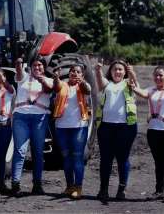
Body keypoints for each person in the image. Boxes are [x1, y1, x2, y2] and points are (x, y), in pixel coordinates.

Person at [129, 67, 164, 203]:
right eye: (156, 75)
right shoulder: (151, 90)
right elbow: (141, 92)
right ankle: (159, 190)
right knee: (158, 163)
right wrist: (133, 85)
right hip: (153, 131)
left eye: (161, 75)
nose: (158, 78)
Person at [94, 59, 138, 202]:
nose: (117, 71)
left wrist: (132, 73)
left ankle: (121, 189)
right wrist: (98, 70)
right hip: (106, 126)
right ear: (110, 71)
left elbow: (134, 82)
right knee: (105, 159)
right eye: (115, 69)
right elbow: (100, 83)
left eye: (120, 69)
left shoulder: (128, 83)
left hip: (126, 127)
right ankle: (103, 189)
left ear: (124, 72)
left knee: (122, 159)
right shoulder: (108, 84)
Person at [11, 57, 53, 196]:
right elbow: (18, 73)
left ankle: (37, 184)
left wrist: (42, 79)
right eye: (34, 65)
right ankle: (15, 184)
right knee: (20, 151)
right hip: (21, 117)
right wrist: (18, 64)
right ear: (30, 67)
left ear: (44, 67)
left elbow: (48, 90)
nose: (37, 67)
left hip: (39, 118)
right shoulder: (24, 77)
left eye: (40, 65)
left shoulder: (50, 80)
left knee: (38, 152)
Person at [52, 64, 91, 199]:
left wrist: (83, 82)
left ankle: (78, 187)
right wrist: (56, 77)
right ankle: (69, 186)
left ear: (82, 75)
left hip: (79, 126)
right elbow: (56, 87)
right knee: (66, 156)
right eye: (72, 71)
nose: (74, 73)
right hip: (61, 126)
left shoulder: (84, 86)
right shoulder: (62, 85)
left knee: (77, 156)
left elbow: (87, 90)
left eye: (78, 72)